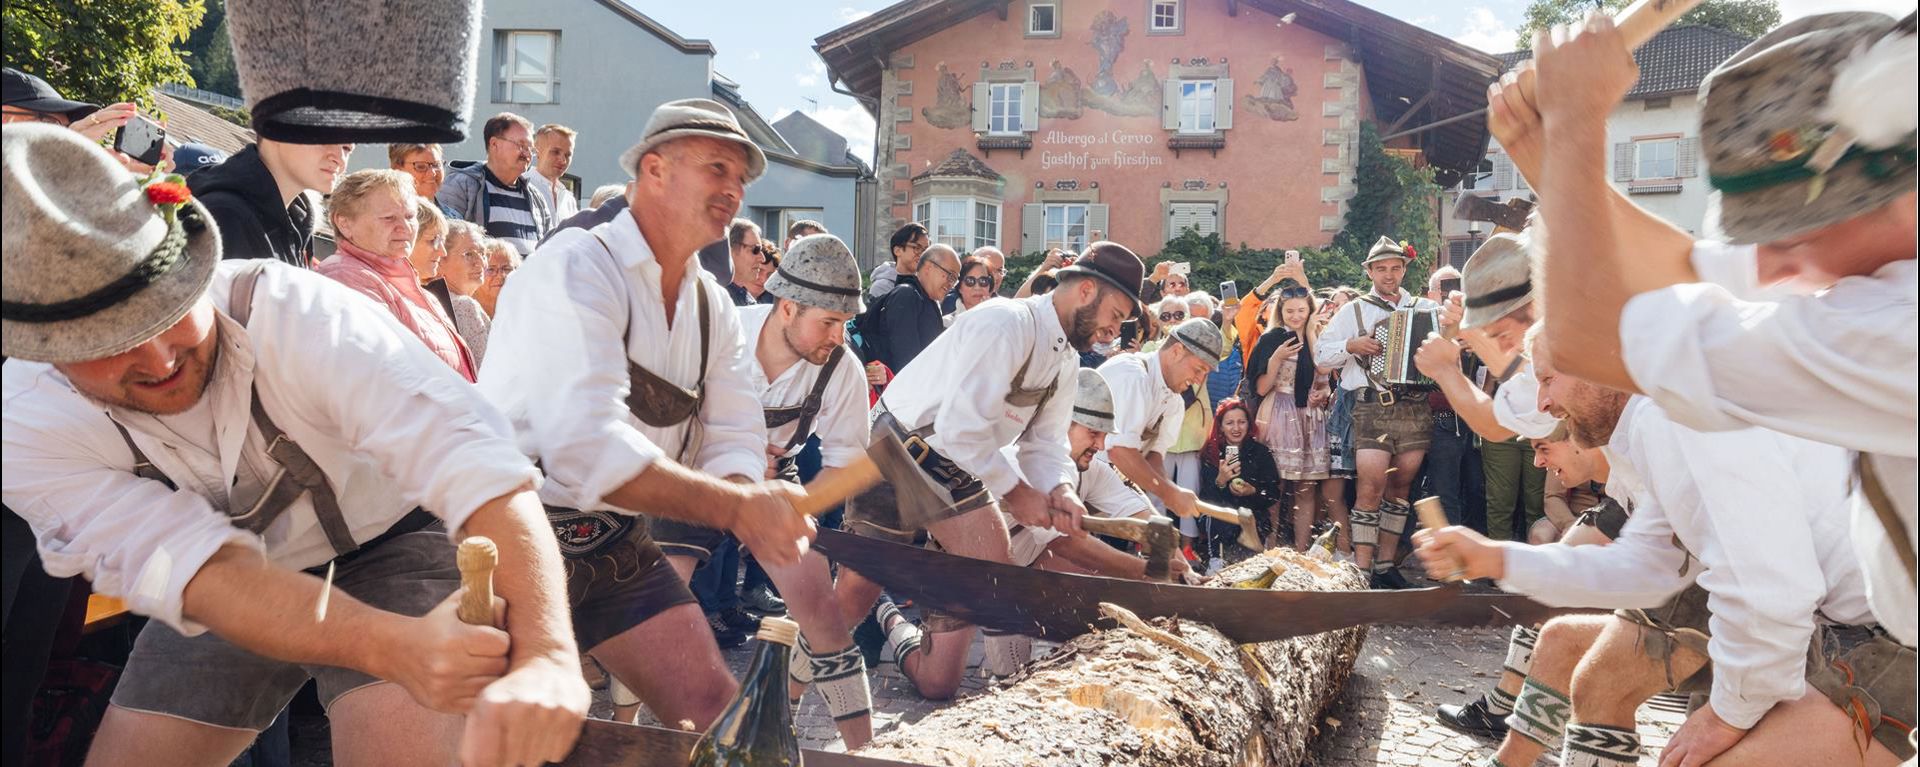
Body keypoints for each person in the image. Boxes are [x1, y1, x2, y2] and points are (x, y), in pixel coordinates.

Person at [0, 124, 587, 767]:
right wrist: (392, 647)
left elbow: (476, 465)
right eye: (105, 345)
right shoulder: (27, 424)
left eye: (168, 312)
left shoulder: (297, 313)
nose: (159, 356)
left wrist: (550, 656)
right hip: (231, 576)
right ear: (43, 356)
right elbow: (200, 575)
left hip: (399, 535)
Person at [1513, 11, 1917, 650]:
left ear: (1893, 191)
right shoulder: (1875, 273)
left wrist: (1575, 127)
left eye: (1791, 235)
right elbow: (1683, 268)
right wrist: (1547, 159)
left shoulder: (1897, 328)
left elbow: (1586, 340)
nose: (1768, 267)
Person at [1418, 326, 1909, 767]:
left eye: (1548, 381)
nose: (1544, 405)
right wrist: (1494, 557)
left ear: (1600, 368)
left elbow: (1771, 590)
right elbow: (1646, 565)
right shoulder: (1659, 424)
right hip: (1869, 626)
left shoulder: (1672, 420)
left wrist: (1726, 716)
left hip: (1891, 636)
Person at [475, 98, 814, 732]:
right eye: (717, 168)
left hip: (609, 536)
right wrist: (738, 509)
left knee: (721, 717)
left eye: (741, 178)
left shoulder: (712, 306)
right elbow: (586, 449)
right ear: (655, 171)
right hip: (506, 534)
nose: (734, 190)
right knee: (504, 738)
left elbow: (736, 429)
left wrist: (747, 492)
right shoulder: (577, 267)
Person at [839, 242, 1142, 700]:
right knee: (849, 604)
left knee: (985, 599)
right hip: (899, 453)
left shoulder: (1065, 361)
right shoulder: (1006, 323)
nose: (1112, 331)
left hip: (956, 468)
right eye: (1115, 315)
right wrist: (1018, 492)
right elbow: (960, 428)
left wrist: (1062, 488)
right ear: (1085, 291)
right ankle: (784, 680)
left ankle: (929, 645)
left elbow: (1044, 444)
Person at [1313, 237, 1439, 588]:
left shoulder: (1423, 308)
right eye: (1381, 268)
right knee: (1370, 485)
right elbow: (1321, 357)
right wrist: (1351, 346)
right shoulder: (1354, 310)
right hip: (1373, 404)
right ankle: (1362, 567)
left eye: (1395, 267)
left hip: (1414, 405)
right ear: (1369, 271)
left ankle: (1385, 564)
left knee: (1400, 486)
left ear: (1404, 270)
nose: (1389, 274)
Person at [1010, 369, 1188, 583]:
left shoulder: (1092, 470)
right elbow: (1066, 544)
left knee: (1094, 583)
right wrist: (1145, 571)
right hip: (984, 572)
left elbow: (1138, 513)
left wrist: (1186, 570)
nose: (1101, 445)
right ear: (1063, 423)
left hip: (1024, 565)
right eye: (1093, 433)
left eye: (1104, 436)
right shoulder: (1025, 461)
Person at [315, 170, 475, 381]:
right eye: (389, 218)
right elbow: (383, 374)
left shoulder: (406, 280)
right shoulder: (345, 278)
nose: (405, 227)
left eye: (410, 216)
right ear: (345, 223)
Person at [1098, 318, 1223, 557]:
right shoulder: (1132, 375)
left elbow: (1154, 458)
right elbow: (1120, 452)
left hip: (1107, 484)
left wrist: (1171, 489)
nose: (1198, 380)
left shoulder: (1174, 402)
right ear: (1177, 351)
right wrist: (1169, 494)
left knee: (1155, 549)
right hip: (1072, 475)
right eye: (1198, 369)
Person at [1251, 286, 1338, 552]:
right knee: (1275, 484)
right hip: (1278, 409)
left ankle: (1301, 549)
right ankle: (1271, 543)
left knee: (1306, 487)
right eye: (1290, 311)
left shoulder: (1317, 337)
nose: (1296, 315)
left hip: (1309, 415)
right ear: (1280, 312)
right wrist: (1277, 358)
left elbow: (1324, 372)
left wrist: (1320, 393)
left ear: (1310, 311)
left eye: (1302, 310)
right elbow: (1261, 387)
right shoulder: (1271, 339)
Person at [188, 137, 349, 269]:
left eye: (347, 148)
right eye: (326, 138)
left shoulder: (299, 220)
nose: (340, 159)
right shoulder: (224, 216)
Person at [438, 112, 552, 256]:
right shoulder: (461, 186)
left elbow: (549, 247)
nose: (527, 154)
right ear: (494, 144)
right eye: (521, 145)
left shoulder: (536, 198)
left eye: (530, 148)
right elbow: (445, 241)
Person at [1197, 398, 1281, 563]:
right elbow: (1205, 500)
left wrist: (1253, 491)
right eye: (1230, 423)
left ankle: (1254, 561)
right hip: (1220, 515)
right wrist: (1220, 482)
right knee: (1213, 514)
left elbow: (1273, 493)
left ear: (1249, 424)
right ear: (1220, 426)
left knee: (1252, 519)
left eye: (1241, 422)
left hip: (1250, 516)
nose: (1236, 428)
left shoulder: (1260, 453)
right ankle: (1215, 560)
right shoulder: (1211, 453)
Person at [866, 242, 958, 373]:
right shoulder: (906, 295)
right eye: (950, 275)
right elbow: (906, 363)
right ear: (928, 267)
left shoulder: (930, 301)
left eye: (955, 280)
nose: (951, 284)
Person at [418, 217, 492, 368]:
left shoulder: (423, 300)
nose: (480, 262)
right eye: (469, 254)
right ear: (440, 258)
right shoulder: (465, 306)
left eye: (483, 253)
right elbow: (488, 371)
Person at [388, 143, 459, 219]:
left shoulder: (454, 218)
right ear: (397, 169)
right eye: (421, 166)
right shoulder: (385, 217)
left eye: (436, 165)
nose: (432, 173)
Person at [866, 222, 929, 300]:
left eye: (925, 250)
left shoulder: (927, 285)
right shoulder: (881, 287)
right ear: (897, 251)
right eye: (916, 248)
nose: (922, 254)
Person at [529, 124, 579, 220]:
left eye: (568, 155)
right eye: (555, 152)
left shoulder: (568, 200)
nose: (563, 160)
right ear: (537, 151)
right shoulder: (521, 187)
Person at [724, 218, 777, 306]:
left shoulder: (747, 298)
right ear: (730, 249)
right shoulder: (714, 297)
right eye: (755, 249)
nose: (762, 258)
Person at [474, 238, 520, 318]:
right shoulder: (465, 308)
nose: (500, 275)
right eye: (491, 269)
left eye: (506, 269)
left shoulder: (523, 306)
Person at [944, 255, 995, 322]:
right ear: (960, 287)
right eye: (970, 281)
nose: (977, 287)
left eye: (983, 281)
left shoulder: (1002, 321)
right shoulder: (946, 323)